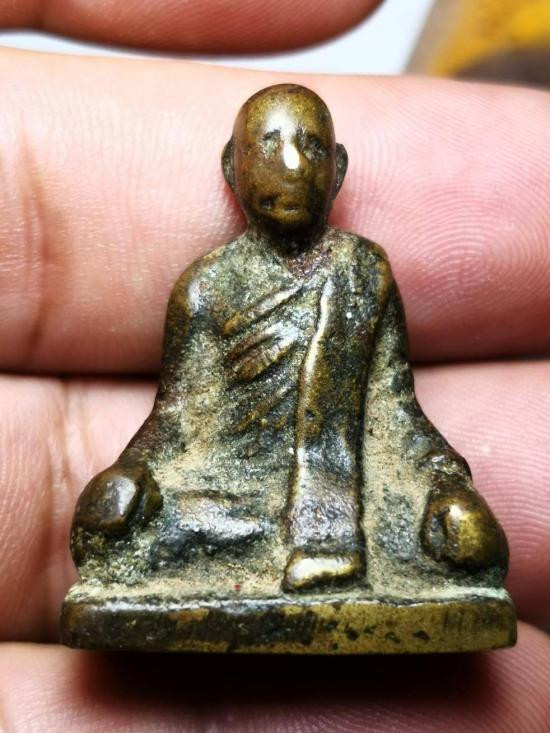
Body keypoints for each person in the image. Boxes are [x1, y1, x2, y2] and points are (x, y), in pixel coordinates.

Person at [0, 0, 548, 730]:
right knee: (119, 531)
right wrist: (130, 477)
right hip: (232, 504)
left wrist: (446, 484)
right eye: (268, 145)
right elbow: (177, 421)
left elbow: (395, 410)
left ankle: (351, 546)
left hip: (349, 495)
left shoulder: (363, 272)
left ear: (338, 169)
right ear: (232, 168)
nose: (290, 165)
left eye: (310, 146)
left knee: (466, 543)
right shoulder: (206, 287)